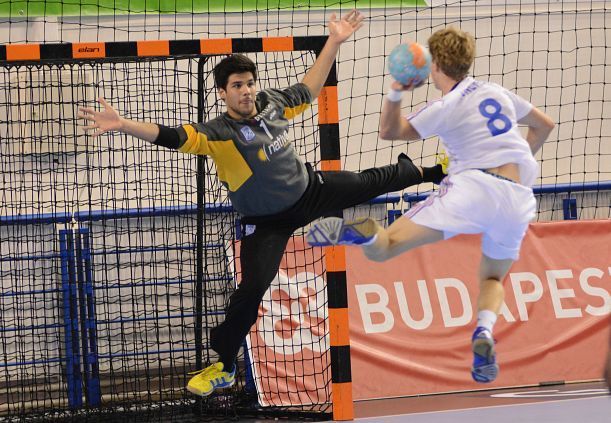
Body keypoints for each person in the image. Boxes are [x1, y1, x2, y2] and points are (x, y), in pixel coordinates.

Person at [78, 10, 445, 397]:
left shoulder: (272, 104)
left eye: (250, 83)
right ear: (223, 93)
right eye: (237, 85)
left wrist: (334, 42)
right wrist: (123, 124)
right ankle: (223, 365)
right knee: (251, 290)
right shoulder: (219, 133)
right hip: (267, 222)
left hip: (310, 190)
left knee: (368, 182)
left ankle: (434, 171)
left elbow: (309, 88)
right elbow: (170, 135)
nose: (246, 90)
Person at [307, 26, 555, 383]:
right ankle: (484, 331)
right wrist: (515, 161)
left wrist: (397, 90)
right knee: (492, 276)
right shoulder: (496, 91)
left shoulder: (445, 106)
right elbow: (544, 125)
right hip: (518, 198)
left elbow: (390, 131)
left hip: (473, 188)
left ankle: (368, 233)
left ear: (434, 65)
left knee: (385, 247)